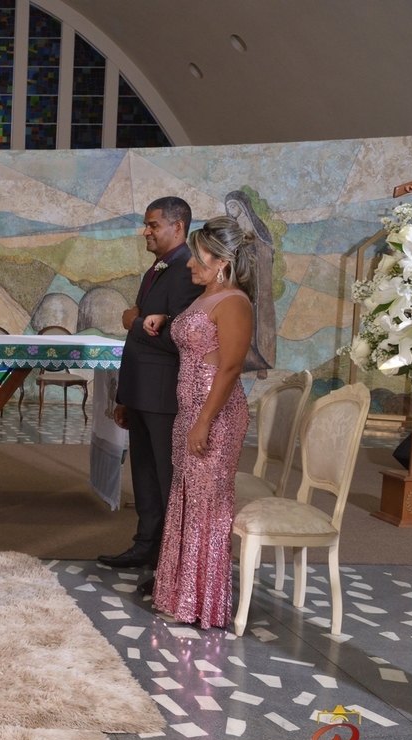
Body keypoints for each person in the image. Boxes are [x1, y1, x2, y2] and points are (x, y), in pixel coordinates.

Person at [143, 217, 254, 629]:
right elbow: (196, 337)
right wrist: (162, 319)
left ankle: (204, 603)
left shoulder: (235, 302)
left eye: (197, 257)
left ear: (221, 261)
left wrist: (204, 421)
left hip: (215, 415)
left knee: (207, 504)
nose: (190, 263)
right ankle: (181, 595)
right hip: (190, 413)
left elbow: (230, 367)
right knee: (187, 499)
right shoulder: (206, 296)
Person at [98, 197, 203, 599]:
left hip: (163, 396)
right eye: (146, 224)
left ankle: (167, 562)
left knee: (165, 479)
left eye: (153, 225)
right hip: (143, 393)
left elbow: (182, 336)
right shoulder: (158, 267)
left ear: (178, 227)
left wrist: (135, 322)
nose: (146, 231)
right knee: (143, 474)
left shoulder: (188, 270)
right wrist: (125, 396)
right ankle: (145, 545)